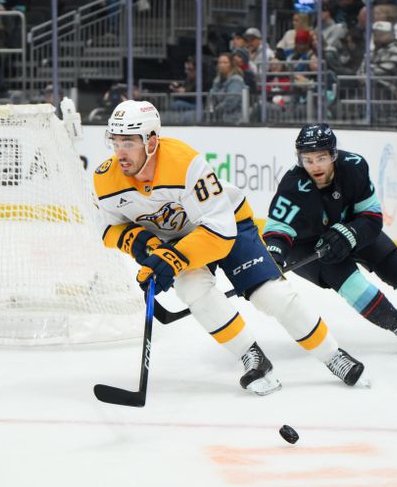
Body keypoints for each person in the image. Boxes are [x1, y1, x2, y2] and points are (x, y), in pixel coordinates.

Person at [93, 100, 367, 396]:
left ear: (152, 141)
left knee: (271, 295)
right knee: (193, 291)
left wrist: (172, 259)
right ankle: (253, 357)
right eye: (116, 141)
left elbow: (219, 232)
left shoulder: (185, 163)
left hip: (227, 225)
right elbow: (109, 228)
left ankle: (332, 355)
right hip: (177, 241)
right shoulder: (105, 178)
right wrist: (143, 244)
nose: (120, 151)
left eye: (129, 142)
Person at [263, 124, 397, 353]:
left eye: (321, 158)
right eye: (308, 160)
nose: (315, 166)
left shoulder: (354, 167)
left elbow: (372, 217)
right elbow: (278, 229)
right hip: (308, 246)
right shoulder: (293, 185)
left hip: (353, 228)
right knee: (352, 283)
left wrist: (351, 234)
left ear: (333, 154)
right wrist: (274, 255)